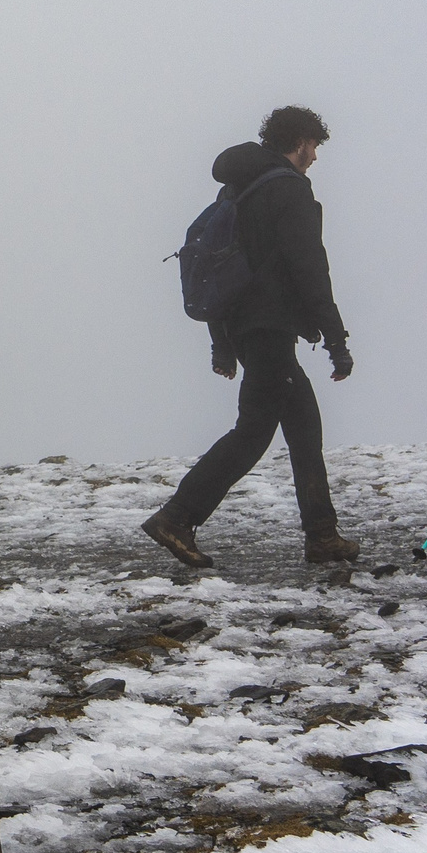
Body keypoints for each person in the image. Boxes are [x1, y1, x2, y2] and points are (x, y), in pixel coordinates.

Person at [142, 106, 358, 569]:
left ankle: (322, 534)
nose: (315, 156)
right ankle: (177, 517)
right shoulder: (289, 189)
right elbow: (310, 268)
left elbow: (218, 267)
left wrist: (222, 344)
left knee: (304, 426)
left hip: (246, 328)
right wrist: (336, 340)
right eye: (313, 146)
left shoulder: (237, 189)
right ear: (299, 142)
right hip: (270, 328)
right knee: (254, 430)